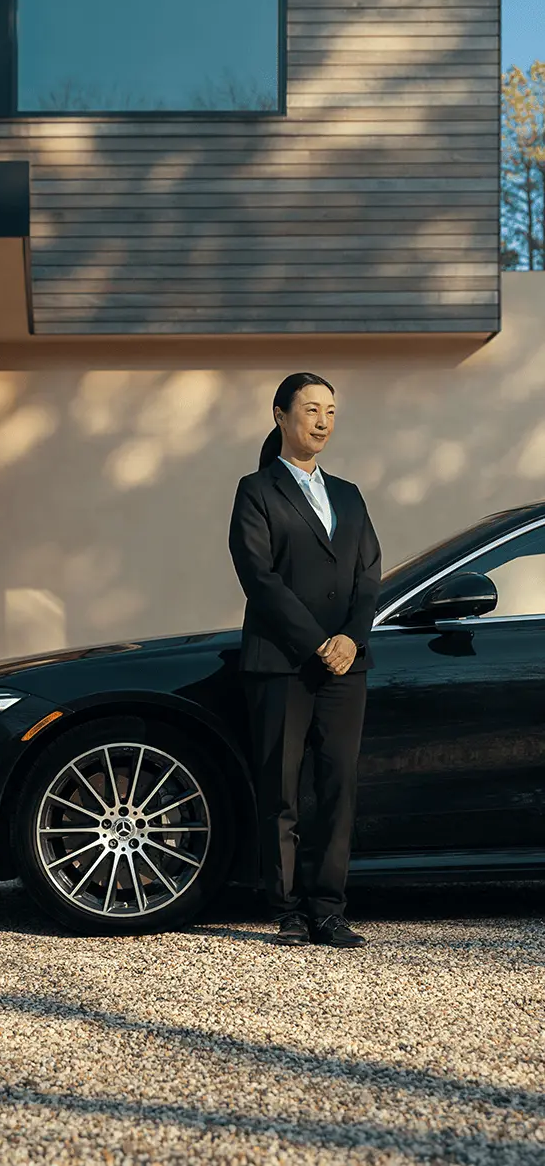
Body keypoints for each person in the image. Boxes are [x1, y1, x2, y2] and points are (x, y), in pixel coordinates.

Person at [228, 372, 381, 948]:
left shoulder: (348, 493)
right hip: (282, 662)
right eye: (312, 409)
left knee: (338, 786)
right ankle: (287, 908)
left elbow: (369, 574)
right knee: (282, 789)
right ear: (280, 416)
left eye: (332, 412)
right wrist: (316, 640)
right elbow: (259, 578)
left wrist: (350, 638)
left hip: (347, 664)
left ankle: (329, 907)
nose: (322, 421)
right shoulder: (256, 490)